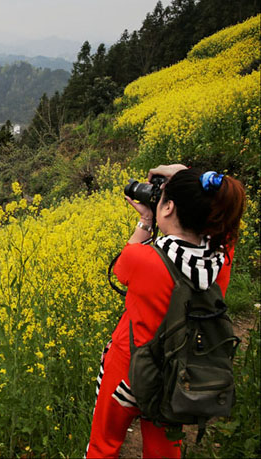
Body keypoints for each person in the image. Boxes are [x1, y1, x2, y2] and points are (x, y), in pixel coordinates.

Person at [85, 164, 246, 458]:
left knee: (104, 445)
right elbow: (227, 224)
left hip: (128, 374)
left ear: (169, 207)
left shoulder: (142, 259)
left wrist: (146, 220)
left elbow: (121, 268)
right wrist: (192, 179)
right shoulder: (222, 257)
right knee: (163, 450)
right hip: (180, 376)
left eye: (162, 200)